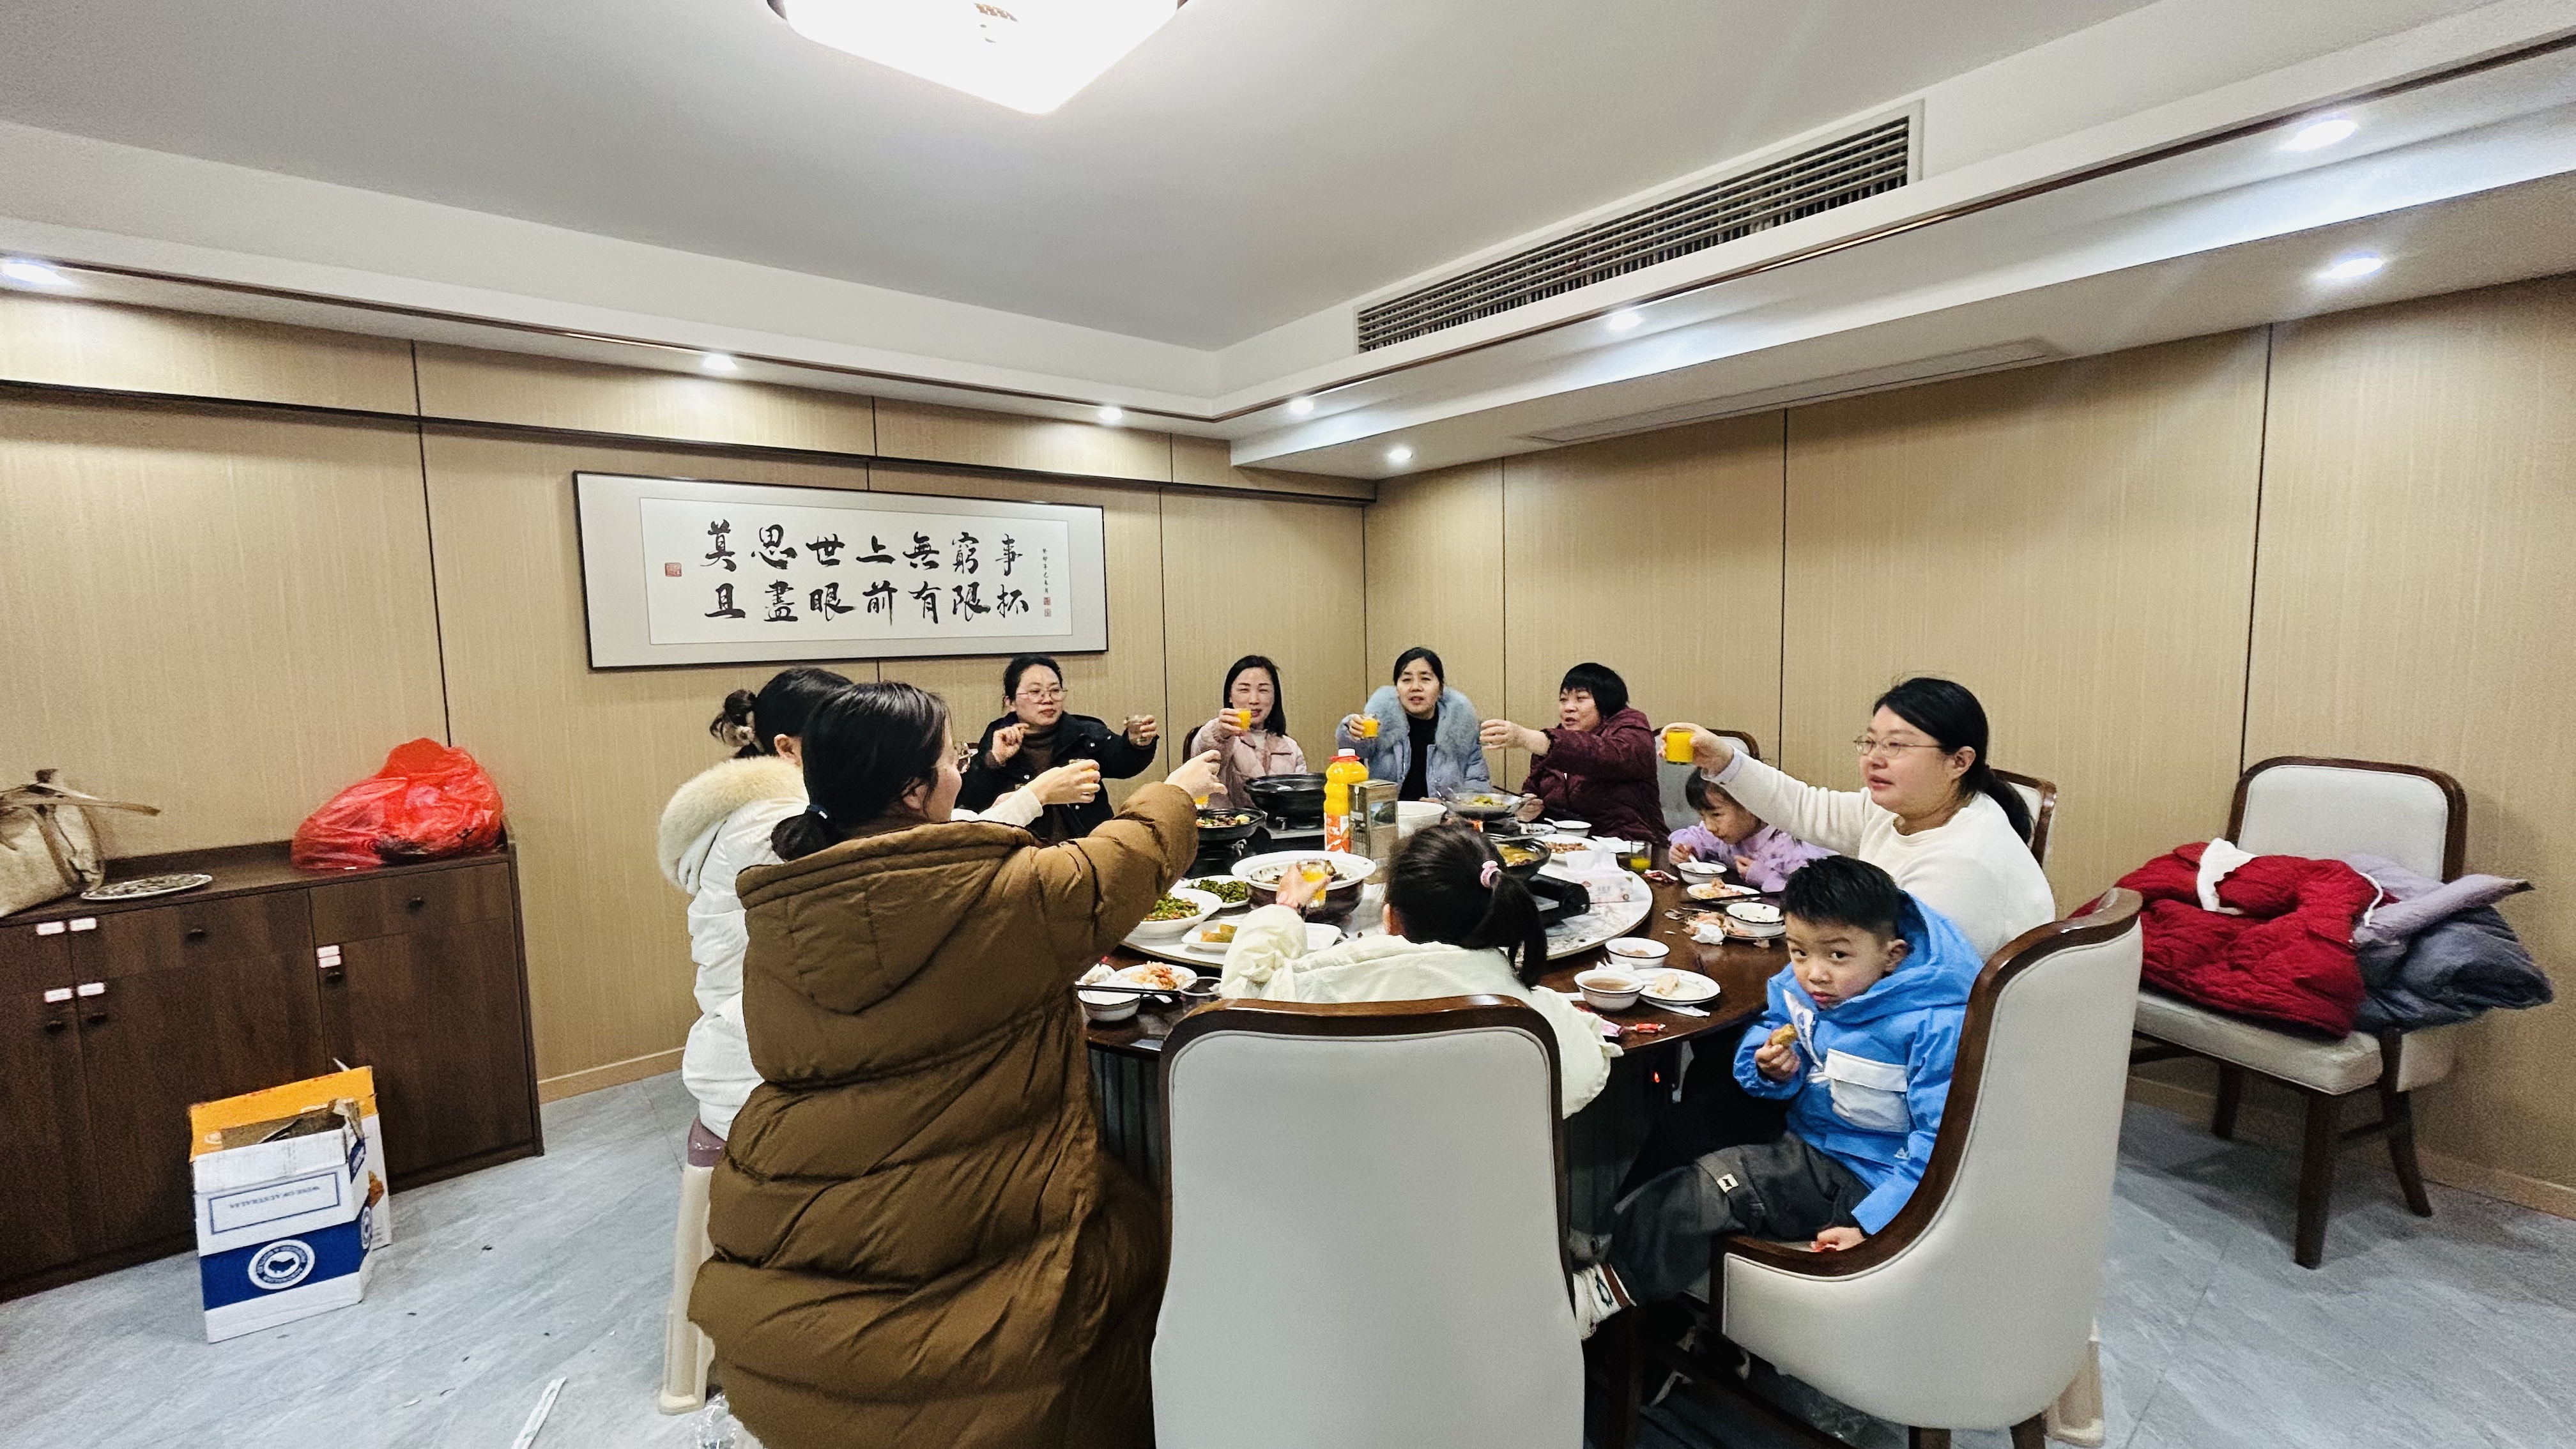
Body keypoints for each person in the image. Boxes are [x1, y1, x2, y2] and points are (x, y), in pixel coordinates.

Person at [689, 680, 1224, 1449]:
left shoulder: (786, 912)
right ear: (914, 791)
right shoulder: (996, 894)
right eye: (951, 757)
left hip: (784, 1271)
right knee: (1158, 1232)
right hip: (969, 1280)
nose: (961, 767)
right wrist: (1177, 792)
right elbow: (1124, 860)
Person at [657, 672, 1100, 1138]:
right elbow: (921, 855)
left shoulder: (804, 808)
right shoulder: (771, 822)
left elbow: (932, 833)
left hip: (802, 1036)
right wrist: (1033, 798)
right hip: (766, 1059)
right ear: (787, 748)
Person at [1570, 857, 1979, 1337]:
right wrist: (1767, 1065)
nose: (1814, 974)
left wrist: (1876, 1227)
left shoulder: (1936, 1025)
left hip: (1868, 1175)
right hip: (1807, 1133)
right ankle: (1618, 1240)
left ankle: (1608, 1290)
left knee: (1721, 1183)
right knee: (1679, 1128)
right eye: (1799, 952)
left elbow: (1944, 1144)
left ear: (1893, 956)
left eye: (1838, 956)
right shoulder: (1811, 987)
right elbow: (1774, 1025)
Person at [1216, 822, 1615, 1116]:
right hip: (1487, 1205)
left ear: (1390, 919)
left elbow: (1241, 1000)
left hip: (1334, 1199)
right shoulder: (1534, 1016)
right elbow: (1582, 1072)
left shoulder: (1319, 984)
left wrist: (1286, 907)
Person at [1667, 676, 2053, 959]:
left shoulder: (1963, 861)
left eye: (1896, 745)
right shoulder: (1900, 809)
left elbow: (1908, 976)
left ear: (1959, 762)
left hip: (1940, 1026)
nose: (1874, 759)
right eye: (1870, 742)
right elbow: (1804, 807)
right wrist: (1724, 761)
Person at [957, 654, 1161, 841]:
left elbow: (1123, 763)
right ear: (1010, 702)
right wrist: (995, 759)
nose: (1047, 699)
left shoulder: (1084, 733)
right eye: (1035, 692)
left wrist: (1138, 742)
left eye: (1055, 690)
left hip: (1086, 846)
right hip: (1023, 852)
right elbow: (969, 803)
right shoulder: (997, 739)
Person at [1478, 662, 1664, 843]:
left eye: (1580, 699)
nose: (1568, 707)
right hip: (1563, 847)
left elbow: (1607, 755)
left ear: (1606, 702)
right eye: (1563, 700)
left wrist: (1527, 738)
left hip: (1629, 847)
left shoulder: (1631, 728)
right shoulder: (1552, 740)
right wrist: (1527, 807)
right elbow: (1533, 790)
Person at [1335, 646, 1494, 801]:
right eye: (1406, 680)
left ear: (1440, 689)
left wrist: (1448, 807)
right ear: (1397, 689)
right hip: (1388, 816)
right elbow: (1353, 752)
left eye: (1425, 679)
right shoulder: (1379, 724)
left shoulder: (1462, 728)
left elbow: (1477, 786)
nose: (1415, 687)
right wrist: (1351, 730)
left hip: (1443, 817)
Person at [1669, 772, 1832, 893]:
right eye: (1702, 816)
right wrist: (1687, 849)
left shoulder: (1792, 846)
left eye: (1716, 815)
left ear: (1753, 806)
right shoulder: (1725, 832)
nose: (1710, 826)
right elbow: (1695, 835)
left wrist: (1767, 878)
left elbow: (1820, 897)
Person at [1185, 654, 1307, 809]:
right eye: (1244, 690)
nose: (1254, 700)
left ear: (1275, 696)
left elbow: (1300, 801)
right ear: (1230, 695)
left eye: (1263, 690)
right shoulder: (1222, 737)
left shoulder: (1291, 748)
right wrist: (1219, 732)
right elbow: (1204, 754)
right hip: (1227, 823)